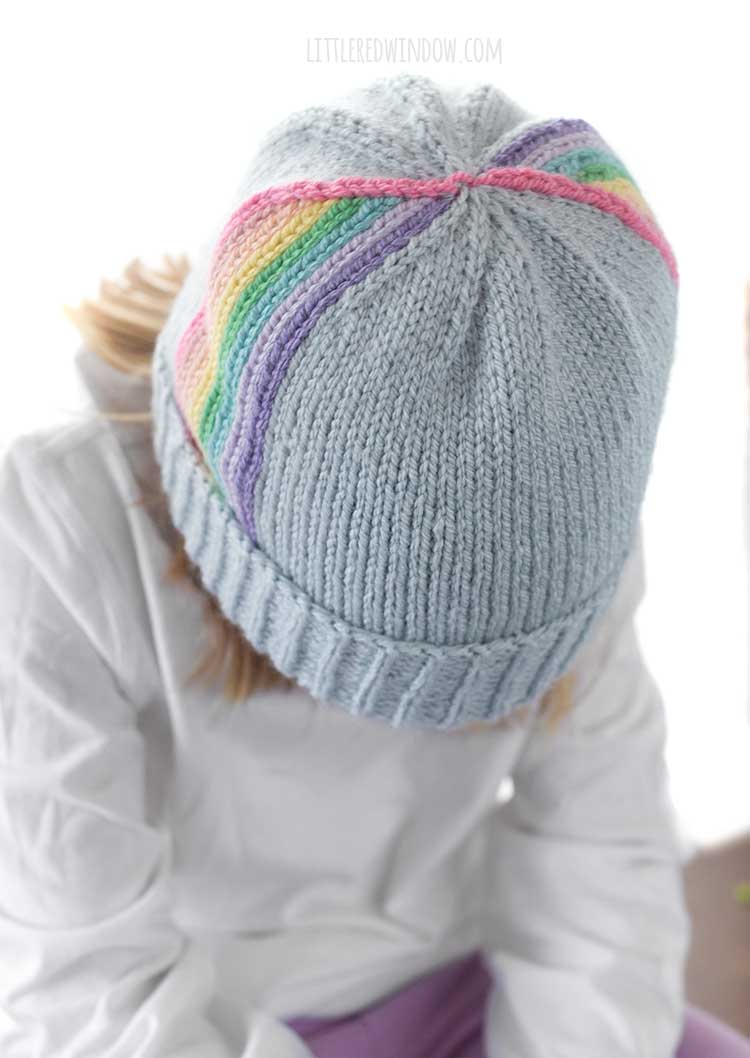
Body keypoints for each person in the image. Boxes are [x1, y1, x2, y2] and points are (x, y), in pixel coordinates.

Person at [1, 73, 747, 1058]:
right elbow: (85, 987)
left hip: (451, 974)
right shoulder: (53, 534)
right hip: (191, 1009)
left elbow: (604, 856)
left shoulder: (557, 500)